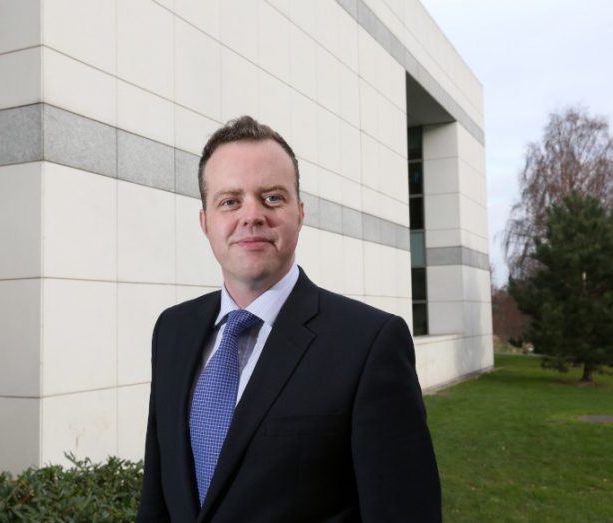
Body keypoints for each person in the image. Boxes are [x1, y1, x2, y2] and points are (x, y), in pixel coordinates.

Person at [136, 116, 441, 522]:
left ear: (300, 212)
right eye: (230, 201)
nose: (252, 215)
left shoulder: (369, 344)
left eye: (272, 198)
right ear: (205, 221)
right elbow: (157, 498)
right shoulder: (172, 330)